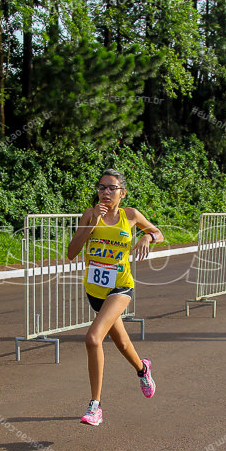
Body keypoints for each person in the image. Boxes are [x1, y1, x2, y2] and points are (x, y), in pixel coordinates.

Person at [65, 170, 164, 426]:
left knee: (93, 338)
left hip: (120, 288)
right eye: (101, 187)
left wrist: (146, 236)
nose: (106, 192)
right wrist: (91, 224)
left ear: (123, 192)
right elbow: (71, 253)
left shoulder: (129, 215)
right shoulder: (89, 214)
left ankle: (95, 406)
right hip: (95, 292)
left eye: (112, 188)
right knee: (121, 343)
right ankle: (143, 369)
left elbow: (158, 233)